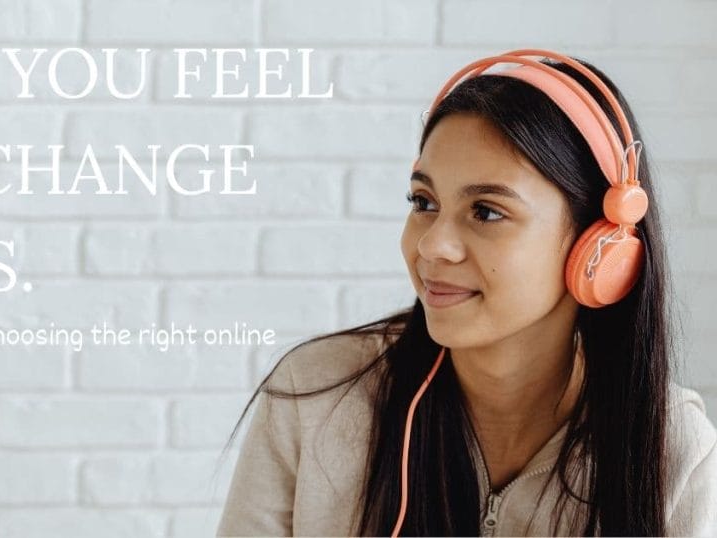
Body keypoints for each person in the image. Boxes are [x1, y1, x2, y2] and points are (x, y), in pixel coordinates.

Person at [215, 51, 717, 537]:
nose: (432, 246)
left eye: (486, 211)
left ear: (599, 245)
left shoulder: (675, 452)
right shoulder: (315, 396)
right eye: (423, 201)